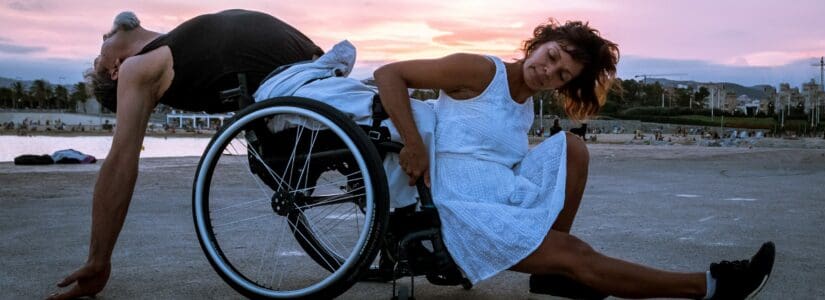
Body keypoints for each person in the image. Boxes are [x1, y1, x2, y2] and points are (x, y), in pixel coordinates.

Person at [374, 19, 774, 299]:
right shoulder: (479, 70)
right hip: (462, 205)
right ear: (539, 42)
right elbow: (389, 73)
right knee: (578, 256)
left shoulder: (526, 106)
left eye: (562, 74)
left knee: (572, 147)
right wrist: (414, 143)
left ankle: (552, 269)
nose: (548, 71)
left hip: (501, 192)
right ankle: (710, 286)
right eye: (551, 56)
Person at [48, 10, 322, 300]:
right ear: (116, 69)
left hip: (297, 64)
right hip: (306, 60)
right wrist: (98, 259)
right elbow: (119, 162)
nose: (104, 37)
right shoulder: (139, 68)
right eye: (97, 56)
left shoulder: (173, 44)